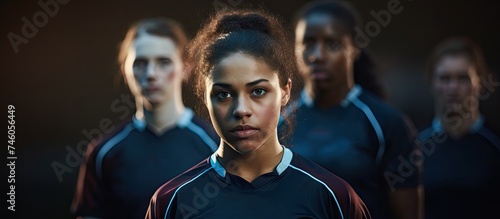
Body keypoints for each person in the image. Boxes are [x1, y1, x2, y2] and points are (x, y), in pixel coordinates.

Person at [145, 9, 371, 219]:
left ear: (285, 91)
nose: (241, 109)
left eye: (258, 91)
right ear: (205, 97)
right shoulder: (172, 201)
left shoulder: (332, 196)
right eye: (223, 94)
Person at [279, 1, 423, 219]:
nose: (318, 55)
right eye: (308, 42)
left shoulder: (387, 123)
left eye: (332, 44)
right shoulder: (279, 120)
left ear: (354, 49)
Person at [71, 17, 219, 219]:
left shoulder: (216, 146)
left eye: (163, 62)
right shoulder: (103, 153)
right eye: (140, 63)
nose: (150, 73)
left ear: (186, 68)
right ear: (125, 70)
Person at [418, 36, 500, 219]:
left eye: (463, 78)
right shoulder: (414, 148)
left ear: (480, 82)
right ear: (432, 82)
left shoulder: (495, 145)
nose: (453, 87)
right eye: (445, 78)